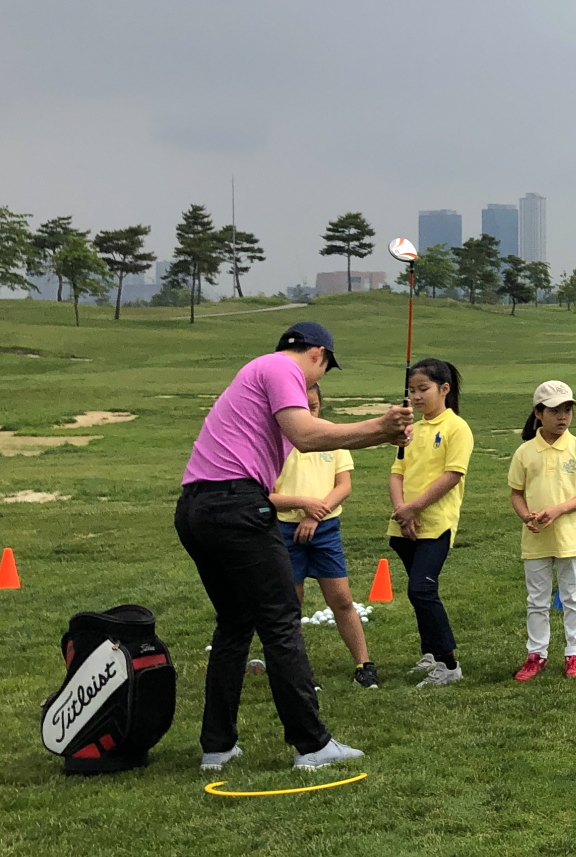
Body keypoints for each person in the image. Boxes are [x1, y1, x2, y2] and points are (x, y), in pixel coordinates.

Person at [174, 321, 409, 772]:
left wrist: (381, 434)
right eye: (325, 370)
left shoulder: (257, 377)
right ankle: (312, 744)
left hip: (197, 508)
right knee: (282, 621)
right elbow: (307, 435)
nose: (316, 382)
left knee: (235, 624)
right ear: (318, 354)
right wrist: (381, 425)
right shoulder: (282, 369)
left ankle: (217, 747)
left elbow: (316, 437)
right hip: (237, 506)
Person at [268, 380, 379, 690]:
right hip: (285, 530)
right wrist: (303, 505)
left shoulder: (332, 435)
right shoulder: (273, 441)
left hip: (325, 528)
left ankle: (364, 664)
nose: (309, 414)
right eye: (301, 409)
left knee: (341, 599)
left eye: (314, 407)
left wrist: (314, 514)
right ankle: (297, 672)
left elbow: (343, 485)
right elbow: (266, 495)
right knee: (291, 604)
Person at [508, 380, 576, 680]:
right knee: (537, 600)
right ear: (538, 413)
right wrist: (526, 516)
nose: (562, 417)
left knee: (572, 596)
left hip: (569, 538)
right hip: (536, 539)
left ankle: (575, 653)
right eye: (554, 411)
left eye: (567, 410)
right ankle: (536, 654)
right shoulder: (525, 452)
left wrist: (559, 510)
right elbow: (516, 494)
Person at [388, 358, 472, 688]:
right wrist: (402, 510)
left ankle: (449, 664)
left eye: (423, 389)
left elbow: (452, 475)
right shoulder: (411, 430)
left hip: (435, 524)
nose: (416, 396)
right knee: (419, 592)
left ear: (444, 389)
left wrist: (414, 508)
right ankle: (431, 655)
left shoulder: (456, 428)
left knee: (421, 589)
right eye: (412, 390)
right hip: (405, 524)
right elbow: (397, 474)